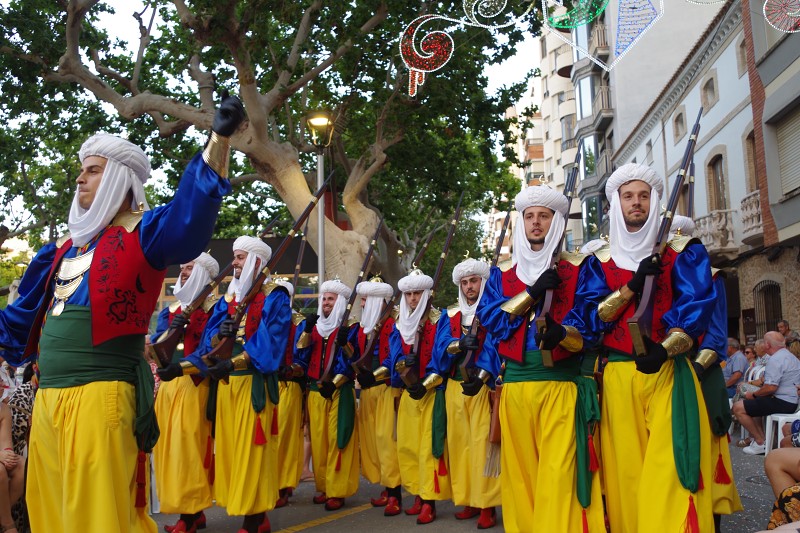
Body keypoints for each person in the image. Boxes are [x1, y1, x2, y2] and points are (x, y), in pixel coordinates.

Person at [0, 94, 243, 532]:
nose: (80, 179)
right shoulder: (58, 251)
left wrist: (218, 140)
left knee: (98, 518)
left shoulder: (143, 232)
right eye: (82, 170)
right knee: (50, 513)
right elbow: (15, 322)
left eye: (93, 170)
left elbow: (189, 219)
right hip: (47, 399)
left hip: (101, 396)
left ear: (118, 178)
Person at [584, 163, 717, 532]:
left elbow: (696, 305)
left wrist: (666, 348)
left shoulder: (683, 251)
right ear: (616, 203)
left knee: (672, 469)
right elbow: (592, 318)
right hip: (618, 376)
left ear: (654, 200)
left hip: (669, 372)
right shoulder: (599, 261)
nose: (636, 202)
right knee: (626, 473)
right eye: (628, 196)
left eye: (643, 195)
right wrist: (632, 286)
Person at [476, 186, 605, 533]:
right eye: (530, 216)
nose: (536, 223)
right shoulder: (502, 273)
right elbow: (493, 320)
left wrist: (563, 333)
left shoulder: (581, 267)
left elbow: (592, 322)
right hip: (516, 388)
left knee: (558, 475)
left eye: (544, 216)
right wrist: (531, 293)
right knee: (521, 479)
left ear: (556, 221)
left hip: (560, 386)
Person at [168, 236, 291, 533]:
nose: (233, 262)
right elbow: (209, 344)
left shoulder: (274, 297)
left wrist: (234, 362)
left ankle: (254, 519)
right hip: (226, 387)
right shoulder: (228, 300)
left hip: (252, 384)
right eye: (235, 257)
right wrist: (185, 363)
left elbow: (271, 342)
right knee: (231, 453)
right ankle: (253, 514)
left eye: (239, 257)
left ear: (256, 262)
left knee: (252, 453)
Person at [430, 257, 501, 529]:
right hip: (454, 388)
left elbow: (495, 346)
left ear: (482, 282)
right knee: (460, 446)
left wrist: (482, 377)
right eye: (465, 282)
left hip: (481, 388)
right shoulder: (449, 315)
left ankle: (487, 505)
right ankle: (469, 499)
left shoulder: (492, 311)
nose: (469, 286)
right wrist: (458, 344)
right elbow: (440, 349)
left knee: (482, 446)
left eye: (474, 281)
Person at [151, 253, 220, 533]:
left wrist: (182, 367)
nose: (184, 272)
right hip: (169, 387)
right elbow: (156, 346)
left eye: (190, 267)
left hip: (194, 385)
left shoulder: (215, 309)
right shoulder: (170, 311)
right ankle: (191, 511)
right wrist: (172, 331)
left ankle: (189, 516)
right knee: (168, 450)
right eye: (182, 268)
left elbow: (211, 351)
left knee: (188, 450)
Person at [385, 268, 451, 525]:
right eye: (409, 294)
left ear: (426, 294)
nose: (413, 298)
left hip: (431, 392)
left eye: (417, 293)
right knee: (409, 446)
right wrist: (404, 364)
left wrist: (426, 382)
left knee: (427, 449)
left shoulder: (440, 320)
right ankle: (417, 494)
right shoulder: (399, 324)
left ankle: (429, 501)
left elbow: (443, 355)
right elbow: (393, 358)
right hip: (408, 393)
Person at [295, 279, 359, 511]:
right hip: (315, 391)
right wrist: (306, 331)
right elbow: (301, 355)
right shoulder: (314, 327)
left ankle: (337, 490)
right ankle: (323, 486)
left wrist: (344, 345)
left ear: (340, 301)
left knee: (337, 440)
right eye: (324, 298)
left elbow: (353, 361)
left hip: (339, 391)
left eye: (331, 299)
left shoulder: (350, 328)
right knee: (319, 442)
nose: (326, 303)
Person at [348, 277, 398, 512]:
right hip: (368, 389)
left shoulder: (393, 324)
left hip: (386, 388)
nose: (362, 304)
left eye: (366, 299)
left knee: (386, 441)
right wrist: (345, 344)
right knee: (372, 442)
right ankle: (386, 487)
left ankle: (395, 493)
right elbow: (356, 355)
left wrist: (374, 376)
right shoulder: (363, 328)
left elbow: (393, 358)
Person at [733, 331, 800, 455]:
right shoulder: (788, 356)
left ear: (768, 345)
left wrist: (753, 394)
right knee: (754, 403)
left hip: (783, 402)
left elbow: (770, 388)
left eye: (764, 342)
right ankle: (761, 440)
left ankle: (759, 442)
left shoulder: (776, 359)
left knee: (738, 407)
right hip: (791, 401)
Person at [274, 279, 306, 508]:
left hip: (288, 385)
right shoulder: (267, 318)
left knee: (284, 435)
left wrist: (290, 369)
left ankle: (283, 484)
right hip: (266, 385)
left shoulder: (299, 323)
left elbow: (302, 360)